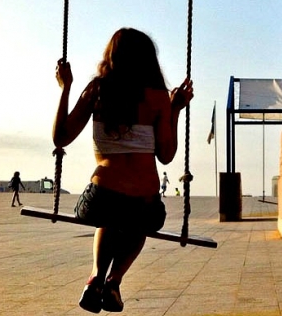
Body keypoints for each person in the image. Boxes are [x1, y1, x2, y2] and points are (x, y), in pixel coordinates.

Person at [53, 27, 193, 313]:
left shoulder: (97, 89)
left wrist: (66, 87)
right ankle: (114, 281)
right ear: (149, 60)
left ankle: (95, 278)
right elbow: (166, 156)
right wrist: (174, 109)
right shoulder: (157, 99)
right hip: (144, 201)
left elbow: (61, 137)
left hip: (102, 196)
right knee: (138, 225)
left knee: (108, 216)